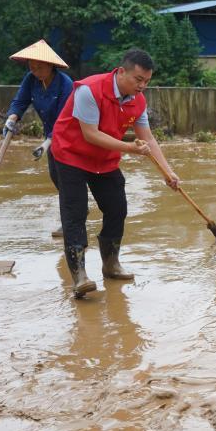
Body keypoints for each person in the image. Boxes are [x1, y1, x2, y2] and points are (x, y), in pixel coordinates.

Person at [50, 48, 180, 297]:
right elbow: (91, 134)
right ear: (121, 72)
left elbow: (148, 139)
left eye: (146, 82)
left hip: (104, 159)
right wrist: (129, 148)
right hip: (71, 155)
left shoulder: (137, 101)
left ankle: (111, 264)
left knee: (117, 208)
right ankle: (80, 276)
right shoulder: (89, 90)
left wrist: (168, 173)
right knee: (75, 213)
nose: (142, 86)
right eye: (138, 79)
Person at [3, 39, 75, 237]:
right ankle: (77, 212)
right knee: (56, 178)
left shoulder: (65, 84)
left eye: (39, 67)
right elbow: (20, 101)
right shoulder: (30, 80)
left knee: (65, 178)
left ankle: (70, 224)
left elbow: (64, 119)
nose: (35, 71)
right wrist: (11, 119)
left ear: (51, 65)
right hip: (50, 136)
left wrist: (45, 144)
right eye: (32, 67)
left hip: (70, 136)